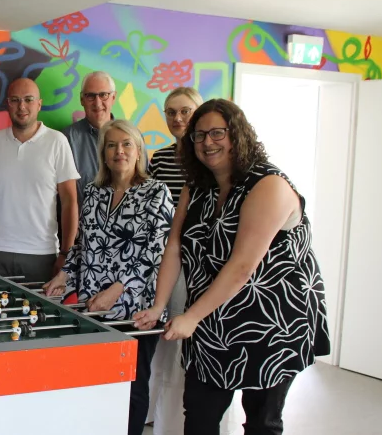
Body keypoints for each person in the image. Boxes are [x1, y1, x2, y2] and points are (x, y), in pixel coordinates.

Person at [135, 99, 331, 435]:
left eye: (216, 133)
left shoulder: (268, 184)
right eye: (198, 136)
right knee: (198, 416)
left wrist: (191, 316)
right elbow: (175, 245)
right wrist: (158, 306)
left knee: (261, 423)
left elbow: (242, 265)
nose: (207, 143)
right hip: (213, 320)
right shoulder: (196, 185)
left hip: (273, 323)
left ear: (237, 134)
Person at [42, 119, 173, 435]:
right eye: (112, 145)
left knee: (131, 387)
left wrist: (118, 288)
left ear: (138, 150)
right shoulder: (95, 191)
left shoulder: (156, 192)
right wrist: (65, 275)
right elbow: (83, 244)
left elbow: (156, 254)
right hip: (94, 309)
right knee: (97, 384)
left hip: (136, 312)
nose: (119, 151)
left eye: (127, 143)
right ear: (103, 152)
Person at [145, 87, 243, 435]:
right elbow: (169, 229)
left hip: (218, 274)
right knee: (172, 351)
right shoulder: (162, 160)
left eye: (185, 111)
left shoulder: (240, 172)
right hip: (173, 260)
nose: (178, 119)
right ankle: (166, 419)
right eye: (171, 112)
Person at [0, 78, 79, 282]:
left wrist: (66, 254)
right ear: (8, 104)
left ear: (39, 104)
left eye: (28, 99)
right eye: (15, 100)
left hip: (42, 254)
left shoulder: (57, 141)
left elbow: (70, 202)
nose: (21, 106)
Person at [62, 71, 116, 206]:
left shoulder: (132, 137)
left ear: (113, 98)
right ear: (82, 100)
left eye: (103, 95)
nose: (97, 103)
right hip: (83, 225)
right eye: (90, 96)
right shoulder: (66, 139)